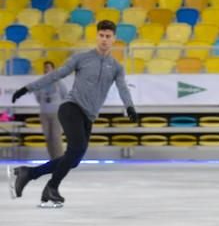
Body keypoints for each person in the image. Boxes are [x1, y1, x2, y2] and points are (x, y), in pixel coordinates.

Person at [9, 20, 137, 207]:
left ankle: (28, 173)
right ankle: (52, 188)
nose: (104, 40)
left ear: (114, 39)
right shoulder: (82, 58)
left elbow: (123, 88)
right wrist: (27, 88)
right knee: (76, 149)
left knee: (74, 160)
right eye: (101, 35)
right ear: (97, 36)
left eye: (108, 36)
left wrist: (130, 107)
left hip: (88, 117)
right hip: (70, 108)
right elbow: (56, 75)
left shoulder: (116, 67)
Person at [34, 61, 68, 159]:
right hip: (44, 112)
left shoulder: (59, 82)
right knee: (48, 136)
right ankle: (52, 158)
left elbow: (65, 95)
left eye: (49, 67)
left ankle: (60, 158)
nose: (47, 69)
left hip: (56, 112)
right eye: (45, 67)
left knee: (56, 136)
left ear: (53, 69)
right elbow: (37, 97)